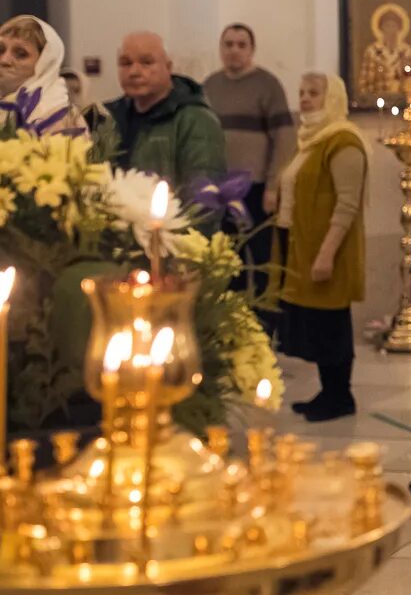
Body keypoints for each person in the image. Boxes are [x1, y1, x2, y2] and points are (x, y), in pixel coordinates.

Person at [277, 72, 367, 422]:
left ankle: (340, 397)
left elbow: (348, 204)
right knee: (316, 324)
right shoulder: (312, 140)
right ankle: (327, 392)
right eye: (301, 92)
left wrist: (327, 253)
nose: (304, 98)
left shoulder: (343, 141)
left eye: (313, 93)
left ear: (332, 98)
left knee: (331, 326)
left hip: (329, 249)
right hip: (304, 246)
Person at [203, 23, 297, 299]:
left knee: (261, 258)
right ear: (220, 49)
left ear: (252, 50)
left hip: (255, 189)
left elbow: (283, 138)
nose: (234, 50)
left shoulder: (267, 85)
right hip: (220, 190)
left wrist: (272, 185)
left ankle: (264, 328)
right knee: (228, 261)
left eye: (241, 45)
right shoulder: (210, 85)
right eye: (228, 44)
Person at [99, 32, 227, 196]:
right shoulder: (108, 117)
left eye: (146, 62)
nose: (134, 72)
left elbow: (204, 198)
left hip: (167, 219)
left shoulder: (195, 119)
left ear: (168, 67)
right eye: (125, 63)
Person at [0, 15, 83, 136]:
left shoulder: (61, 116)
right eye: (0, 51)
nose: (4, 60)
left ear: (44, 64)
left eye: (20, 54)